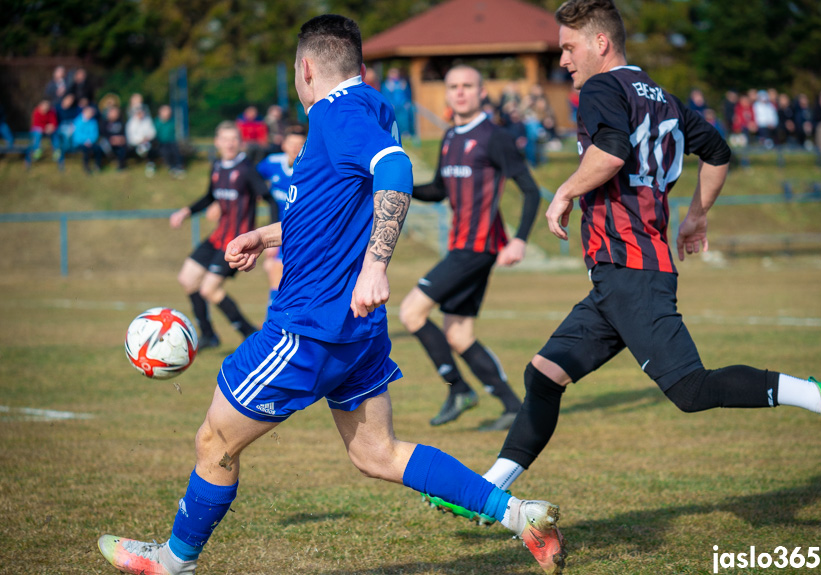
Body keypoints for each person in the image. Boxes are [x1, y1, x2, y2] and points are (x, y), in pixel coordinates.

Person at [96, 14, 565, 575]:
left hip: (308, 329)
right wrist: (268, 234)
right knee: (377, 454)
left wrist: (375, 264)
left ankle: (174, 560)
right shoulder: (369, 107)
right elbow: (337, 205)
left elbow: (394, 168)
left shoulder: (338, 113)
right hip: (355, 332)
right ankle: (521, 515)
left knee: (215, 438)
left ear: (307, 68)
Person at [425, 0, 821, 526]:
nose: (562, 59)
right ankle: (485, 490)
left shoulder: (601, 89)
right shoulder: (663, 97)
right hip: (616, 278)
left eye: (568, 46)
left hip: (632, 271)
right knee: (543, 375)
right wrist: (696, 216)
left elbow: (609, 151)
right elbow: (718, 152)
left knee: (691, 390)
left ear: (600, 43)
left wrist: (563, 192)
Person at [398, 65, 541, 432]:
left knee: (411, 311)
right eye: (453, 86)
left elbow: (530, 190)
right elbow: (438, 190)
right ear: (446, 94)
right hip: (460, 247)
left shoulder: (496, 138)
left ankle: (459, 389)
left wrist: (520, 239)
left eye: (468, 86)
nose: (460, 92)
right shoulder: (449, 138)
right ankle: (512, 406)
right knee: (459, 335)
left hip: (477, 249)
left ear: (481, 92)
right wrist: (399, 185)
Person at [167, 120, 279, 351]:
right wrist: (185, 212)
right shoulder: (217, 165)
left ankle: (250, 335)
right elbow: (210, 196)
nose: (229, 144)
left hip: (236, 242)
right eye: (225, 139)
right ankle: (208, 335)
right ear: (217, 142)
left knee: (209, 289)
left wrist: (268, 238)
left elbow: (270, 200)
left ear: (240, 142)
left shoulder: (247, 169)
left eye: (233, 139)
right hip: (217, 237)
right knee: (187, 279)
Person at [255, 123, 307, 319]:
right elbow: (252, 177)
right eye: (291, 143)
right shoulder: (272, 163)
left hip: (305, 235)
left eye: (300, 144)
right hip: (281, 235)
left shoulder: (311, 168)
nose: (295, 148)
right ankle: (274, 322)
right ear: (283, 144)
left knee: (283, 275)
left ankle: (277, 323)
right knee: (275, 271)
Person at [154, 105, 185, 177]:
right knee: (166, 151)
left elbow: (177, 133)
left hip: (172, 141)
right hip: (160, 142)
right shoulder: (157, 122)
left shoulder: (172, 121)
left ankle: (179, 165)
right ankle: (171, 166)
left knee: (175, 149)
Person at [126, 106, 157, 176]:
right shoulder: (131, 123)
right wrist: (140, 140)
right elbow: (130, 137)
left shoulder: (148, 120)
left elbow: (152, 132)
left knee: (150, 147)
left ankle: (150, 165)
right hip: (135, 144)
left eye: (142, 112)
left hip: (147, 142)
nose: (141, 114)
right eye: (139, 113)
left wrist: (146, 138)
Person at [71, 105, 100, 173]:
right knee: (86, 150)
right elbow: (76, 135)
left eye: (92, 113)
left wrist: (90, 141)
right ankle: (86, 167)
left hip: (91, 142)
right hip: (79, 143)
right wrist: (85, 141)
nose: (90, 114)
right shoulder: (77, 121)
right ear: (84, 112)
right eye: (89, 112)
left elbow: (95, 134)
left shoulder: (93, 122)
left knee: (98, 149)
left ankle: (98, 165)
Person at [28, 99, 57, 164]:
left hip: (47, 129)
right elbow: (36, 123)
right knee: (38, 132)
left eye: (47, 109)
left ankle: (56, 150)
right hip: (37, 129)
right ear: (40, 106)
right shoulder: (36, 112)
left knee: (54, 133)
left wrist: (51, 127)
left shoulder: (51, 112)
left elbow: (54, 122)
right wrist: (45, 127)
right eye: (44, 109)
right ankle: (37, 150)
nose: (45, 111)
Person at [99, 106, 127, 170]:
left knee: (122, 149)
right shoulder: (104, 122)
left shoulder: (122, 122)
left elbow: (124, 133)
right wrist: (111, 139)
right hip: (108, 142)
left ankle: (121, 166)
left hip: (120, 141)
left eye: (116, 113)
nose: (115, 114)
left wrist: (120, 139)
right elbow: (103, 133)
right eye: (113, 113)